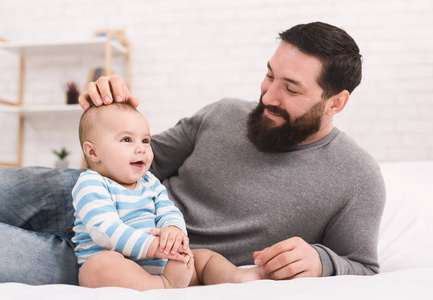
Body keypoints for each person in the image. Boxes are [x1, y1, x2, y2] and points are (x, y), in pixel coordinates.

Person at [0, 22, 385, 285]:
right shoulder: (223, 113)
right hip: (96, 195)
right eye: (269, 75)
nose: (268, 95)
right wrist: (105, 118)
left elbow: (364, 267)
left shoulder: (357, 178)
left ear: (336, 103)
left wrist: (323, 262)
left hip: (129, 264)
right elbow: (137, 161)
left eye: (292, 89)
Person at [74, 102, 269, 290]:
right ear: (93, 152)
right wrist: (153, 246)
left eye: (145, 140)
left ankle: (239, 277)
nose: (141, 148)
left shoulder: (150, 182)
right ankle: (164, 286)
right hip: (120, 268)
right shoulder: (92, 183)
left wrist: (174, 231)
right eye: (127, 140)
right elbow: (105, 230)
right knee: (98, 267)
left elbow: (168, 210)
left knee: (204, 258)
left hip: (161, 263)